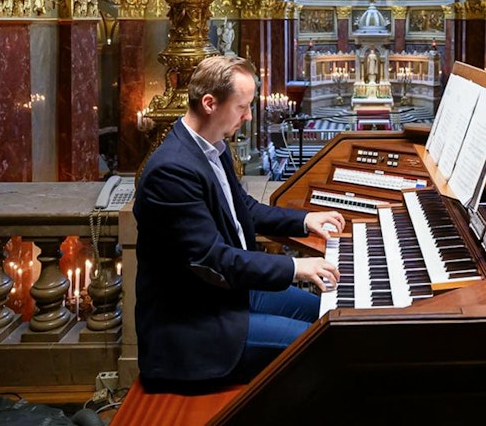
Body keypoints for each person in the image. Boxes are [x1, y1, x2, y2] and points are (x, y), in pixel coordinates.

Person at [133, 55, 345, 393]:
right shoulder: (171, 171)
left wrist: (305, 220)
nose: (248, 116)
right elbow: (215, 259)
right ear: (209, 103)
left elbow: (242, 208)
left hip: (230, 296)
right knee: (327, 346)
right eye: (242, 107)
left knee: (333, 314)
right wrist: (296, 267)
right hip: (196, 326)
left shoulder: (211, 148)